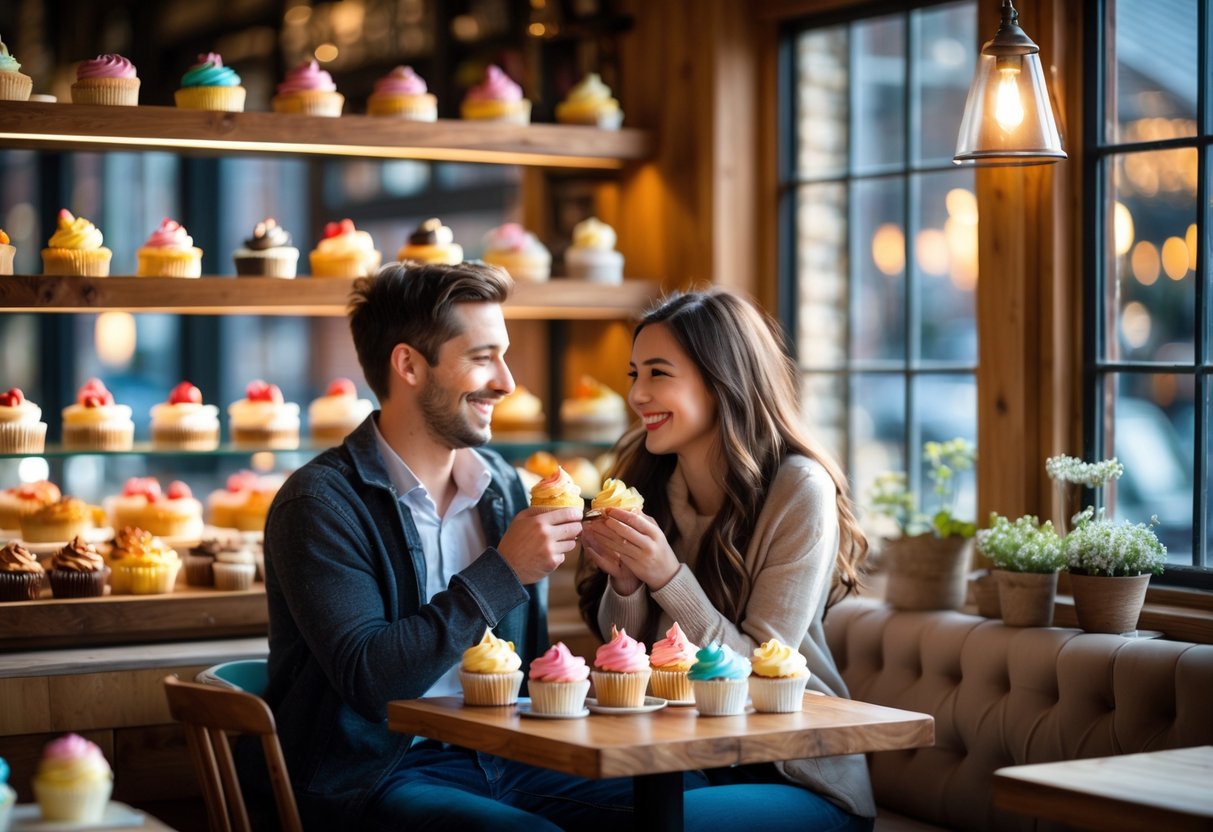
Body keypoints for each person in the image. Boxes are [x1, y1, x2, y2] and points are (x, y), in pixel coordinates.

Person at [261, 261, 635, 831]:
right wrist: (503, 570)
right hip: (378, 775)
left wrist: (625, 579)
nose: (507, 382)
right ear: (409, 364)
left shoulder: (506, 489)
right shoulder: (318, 504)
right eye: (483, 357)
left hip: (507, 755)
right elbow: (371, 680)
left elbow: (529, 668)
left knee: (679, 804)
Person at [577, 288, 876, 831]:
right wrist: (625, 586)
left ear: (722, 383)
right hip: (687, 758)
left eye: (659, 373)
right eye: (633, 374)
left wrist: (667, 577)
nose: (638, 395)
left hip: (794, 774)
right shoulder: (651, 485)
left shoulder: (799, 491)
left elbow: (760, 673)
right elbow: (629, 662)